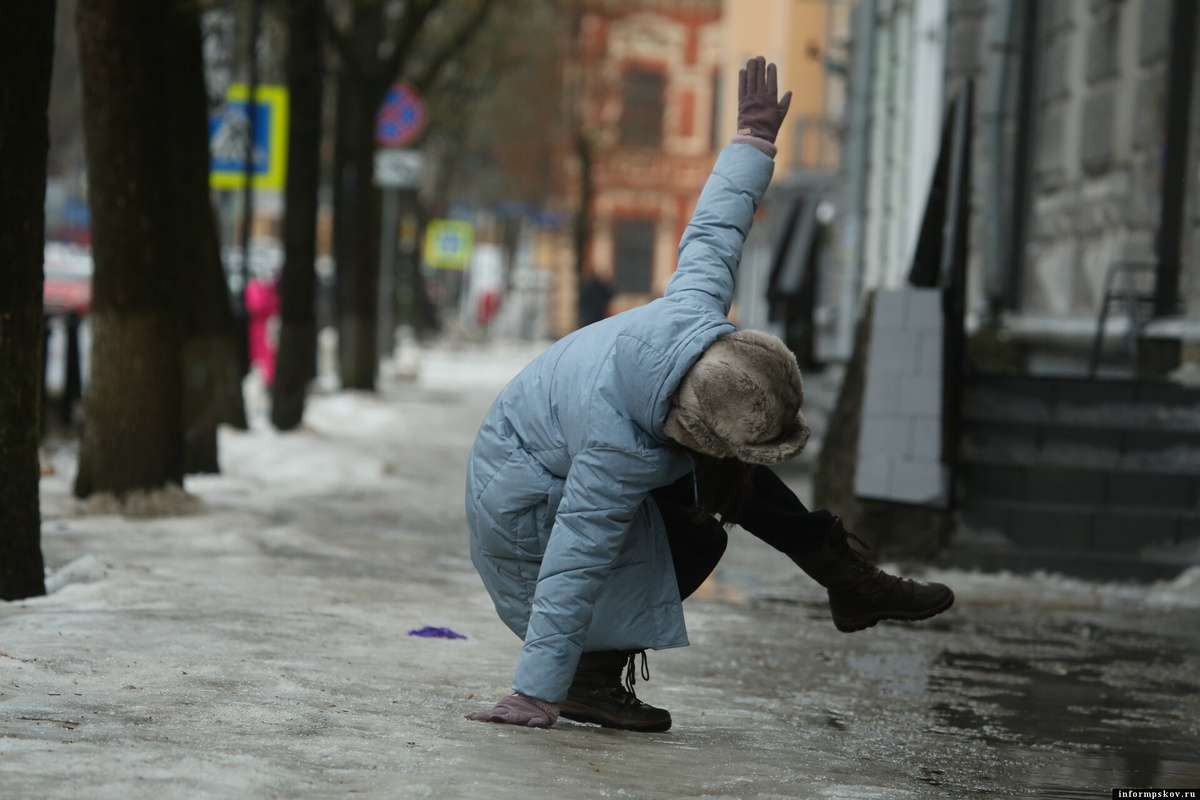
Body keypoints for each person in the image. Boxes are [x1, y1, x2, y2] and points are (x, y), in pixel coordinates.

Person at [465, 57, 953, 732]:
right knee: (698, 536)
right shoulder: (615, 446)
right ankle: (587, 680)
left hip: (547, 468)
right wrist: (533, 693)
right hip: (521, 523)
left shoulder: (693, 319)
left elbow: (716, 229)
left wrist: (754, 138)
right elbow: (575, 561)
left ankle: (844, 579)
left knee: (727, 475)